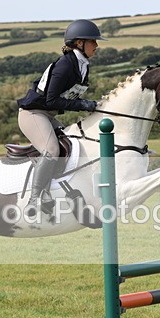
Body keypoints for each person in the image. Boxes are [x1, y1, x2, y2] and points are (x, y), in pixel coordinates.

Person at [16, 19, 105, 216]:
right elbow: (51, 100)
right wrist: (83, 104)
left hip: (48, 115)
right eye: (93, 41)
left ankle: (53, 189)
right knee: (52, 149)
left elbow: (69, 97)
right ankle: (35, 198)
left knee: (71, 143)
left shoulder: (82, 65)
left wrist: (92, 104)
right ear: (79, 43)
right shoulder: (66, 64)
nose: (96, 46)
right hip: (34, 113)